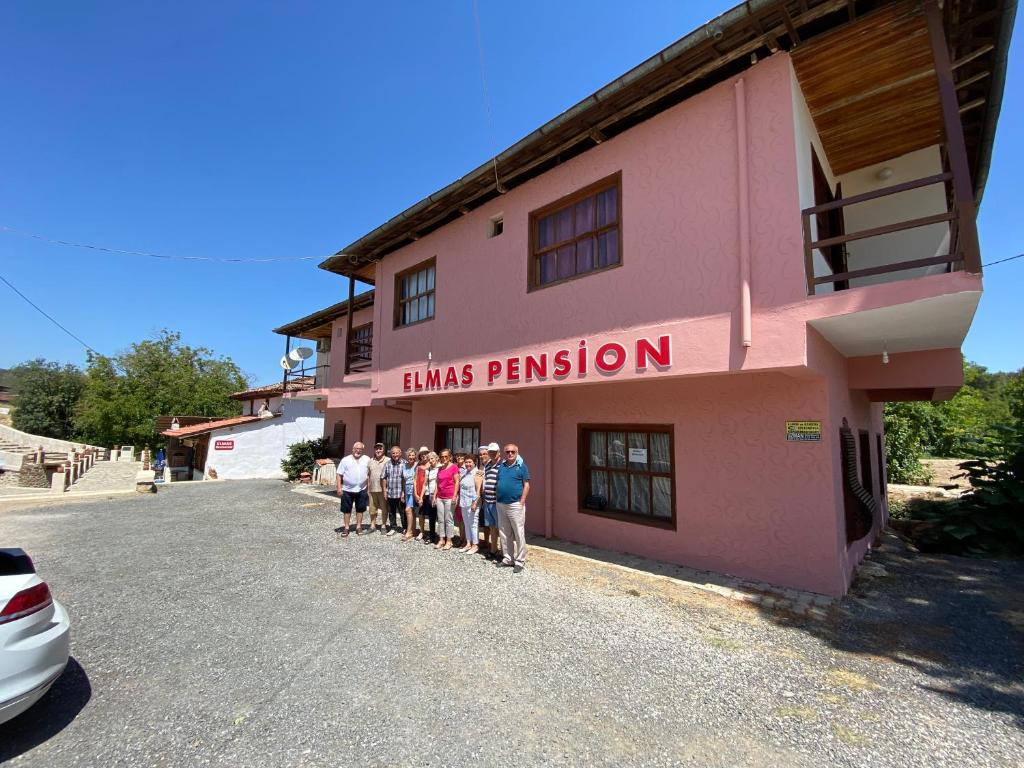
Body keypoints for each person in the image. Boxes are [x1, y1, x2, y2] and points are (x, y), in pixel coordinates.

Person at [496, 443, 530, 572]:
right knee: (504, 533)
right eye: (508, 452)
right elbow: (499, 482)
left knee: (518, 533)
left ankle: (520, 561)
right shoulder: (502, 466)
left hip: (515, 504)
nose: (510, 454)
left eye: (513, 452)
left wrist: (522, 501)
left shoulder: (522, 467)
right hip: (500, 503)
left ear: (517, 453)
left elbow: (526, 485)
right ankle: (508, 558)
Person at [336, 441, 370, 537]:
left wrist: (369, 486)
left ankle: (358, 527)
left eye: (360, 449)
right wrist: (339, 487)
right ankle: (346, 528)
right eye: (356, 448)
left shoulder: (366, 459)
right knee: (347, 510)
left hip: (361, 489)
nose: (358, 450)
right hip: (347, 489)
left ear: (362, 450)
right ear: (353, 449)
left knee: (360, 509)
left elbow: (370, 473)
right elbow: (339, 474)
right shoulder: (345, 460)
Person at [479, 443, 502, 560]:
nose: (492, 454)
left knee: (501, 528)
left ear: (499, 452)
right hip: (488, 500)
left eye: (494, 452)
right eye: (490, 452)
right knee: (492, 527)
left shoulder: (503, 465)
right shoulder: (487, 466)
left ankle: (503, 552)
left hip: (497, 502)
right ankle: (493, 550)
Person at [434, 449, 460, 551]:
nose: (444, 458)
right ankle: (441, 539)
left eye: (446, 456)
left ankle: (449, 540)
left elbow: (457, 482)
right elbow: (437, 483)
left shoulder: (454, 467)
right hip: (440, 497)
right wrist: (434, 496)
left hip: (450, 497)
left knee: (448, 519)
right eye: (442, 457)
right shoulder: (440, 469)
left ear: (449, 457)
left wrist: (454, 496)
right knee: (440, 519)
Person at [458, 454, 482, 554]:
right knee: (467, 523)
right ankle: (468, 543)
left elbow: (478, 491)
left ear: (474, 463)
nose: (468, 464)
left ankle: (475, 545)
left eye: (470, 462)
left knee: (473, 524)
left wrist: (475, 503)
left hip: (473, 503)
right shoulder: (465, 473)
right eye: (466, 462)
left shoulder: (477, 473)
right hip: (464, 502)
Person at [381, 445, 406, 537]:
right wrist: (384, 491)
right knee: (391, 512)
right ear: (391, 454)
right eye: (393, 453)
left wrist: (404, 492)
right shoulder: (387, 464)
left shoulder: (405, 463)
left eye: (397, 453)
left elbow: (406, 479)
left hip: (400, 493)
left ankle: (405, 528)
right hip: (390, 493)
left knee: (403, 512)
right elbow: (383, 478)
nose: (395, 454)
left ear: (400, 453)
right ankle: (393, 528)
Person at [366, 443, 388, 533]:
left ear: (383, 450)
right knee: (372, 508)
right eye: (376, 449)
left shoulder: (388, 460)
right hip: (372, 489)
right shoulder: (370, 461)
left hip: (383, 490)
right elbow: (368, 475)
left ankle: (383, 525)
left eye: (380, 449)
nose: (378, 451)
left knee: (384, 508)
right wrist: (368, 488)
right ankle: (372, 525)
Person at [401, 447, 418, 540]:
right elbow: (404, 480)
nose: (411, 457)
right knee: (411, 511)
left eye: (413, 455)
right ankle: (414, 530)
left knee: (408, 510)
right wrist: (403, 492)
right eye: (409, 455)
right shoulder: (404, 465)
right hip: (407, 489)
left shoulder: (417, 465)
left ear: (415, 456)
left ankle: (409, 531)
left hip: (414, 490)